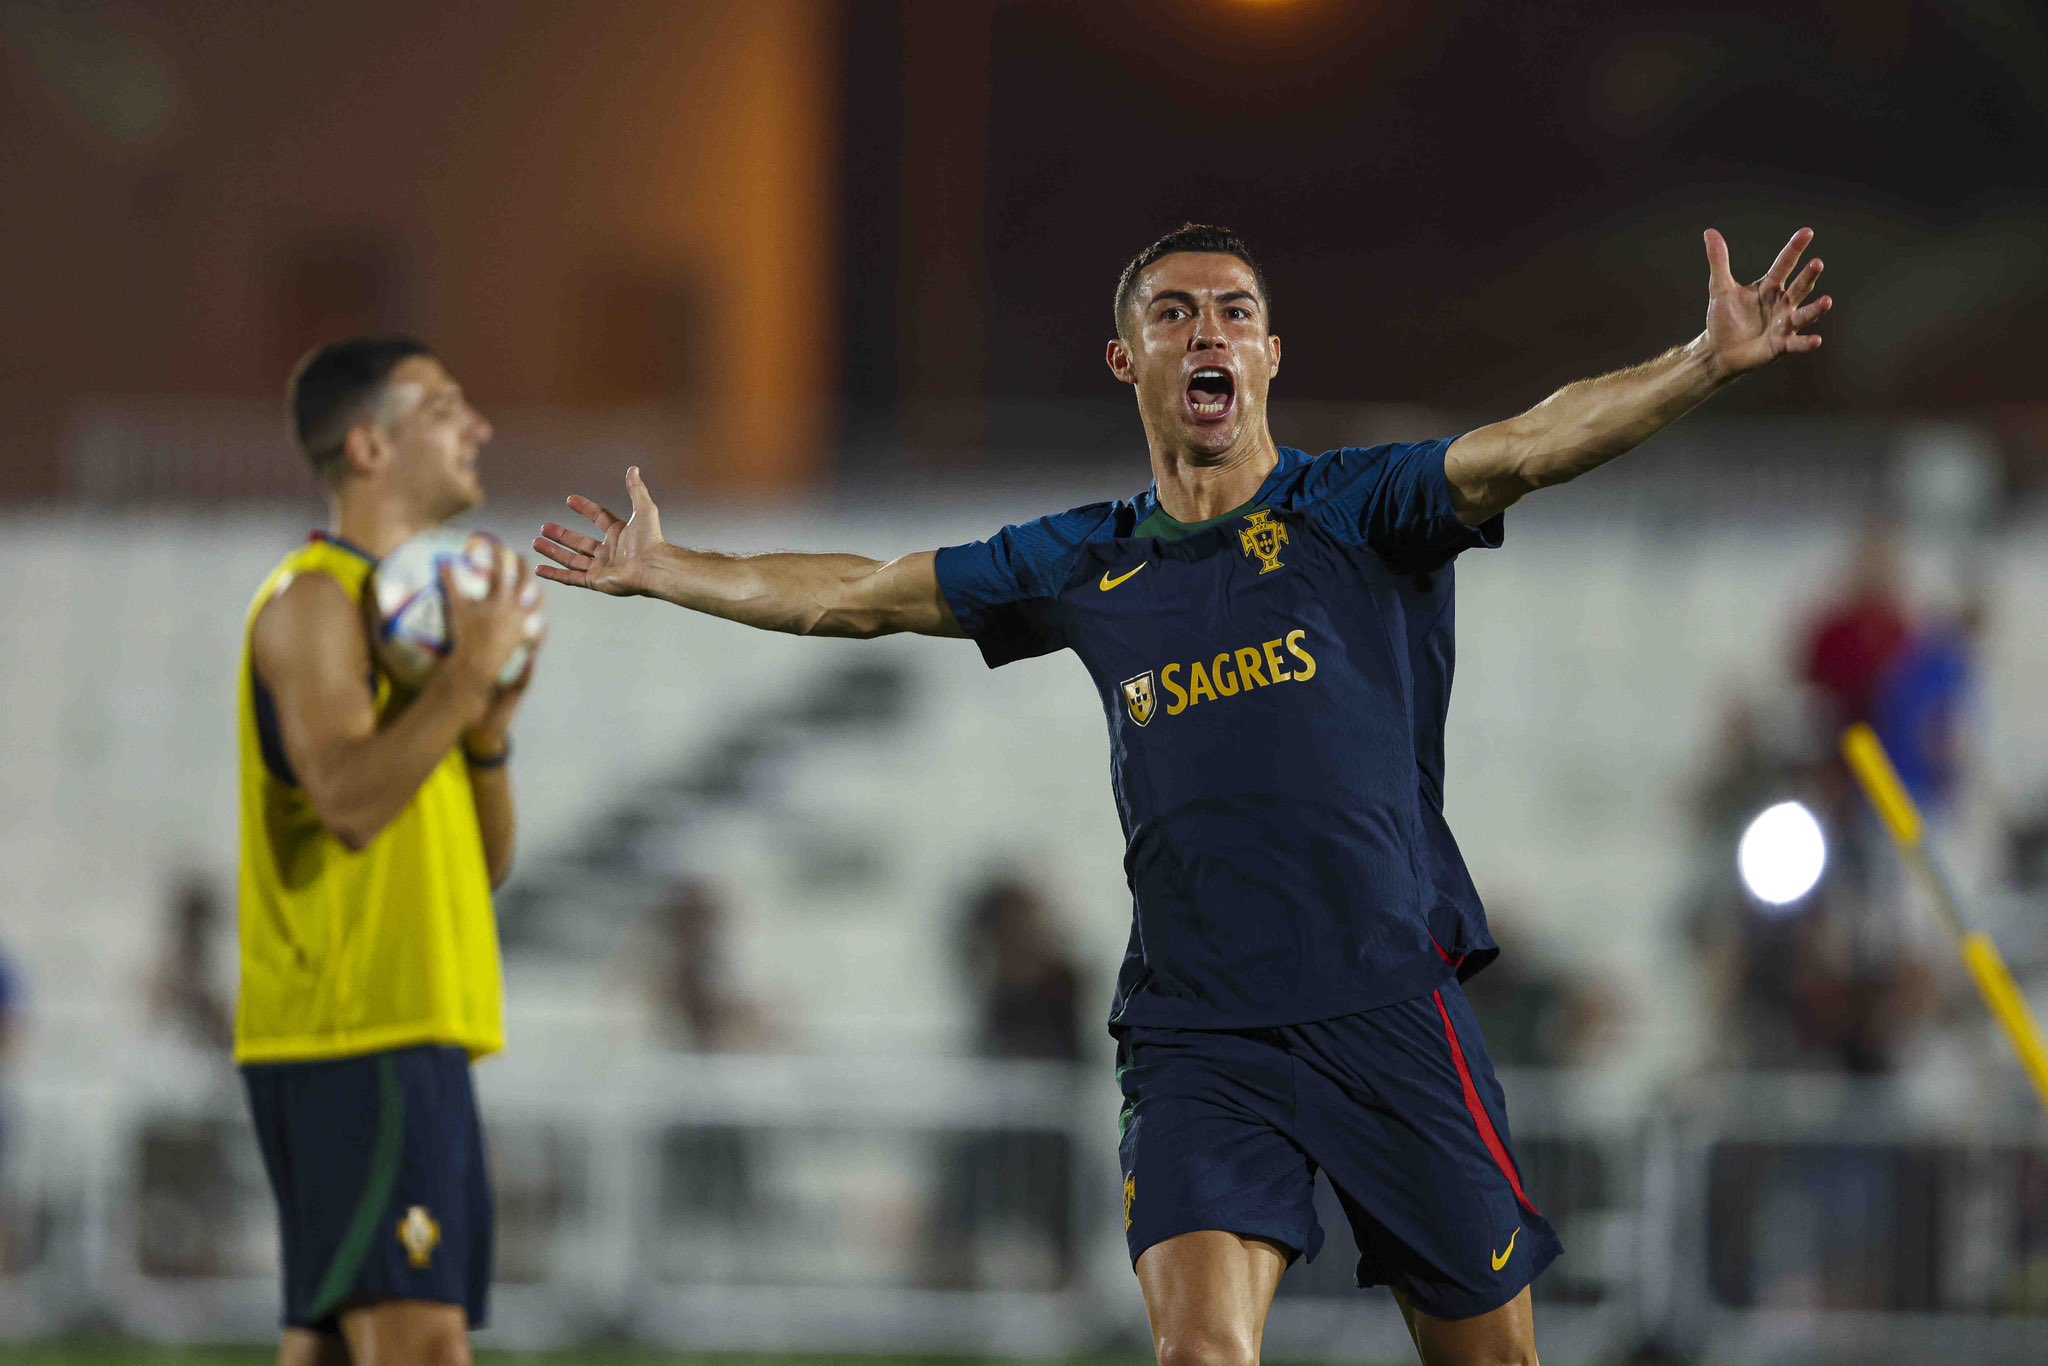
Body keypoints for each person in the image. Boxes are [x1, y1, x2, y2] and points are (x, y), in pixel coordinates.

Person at [535, 222, 1831, 1364]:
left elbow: (1530, 445)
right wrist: (674, 568)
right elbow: (860, 592)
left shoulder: (1357, 506)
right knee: (1201, 1350)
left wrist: (1700, 363)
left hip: (1386, 998)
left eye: (1235, 313)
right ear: (1128, 361)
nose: (1208, 331)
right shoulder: (1086, 558)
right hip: (1199, 1027)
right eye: (1174, 313)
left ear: (1269, 355)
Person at [237, 337, 542, 1366]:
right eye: (445, 407)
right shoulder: (316, 601)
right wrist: (460, 689)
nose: (479, 426)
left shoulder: (415, 631)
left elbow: (484, 866)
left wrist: (487, 732)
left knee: (337, 1350)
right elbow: (348, 803)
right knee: (423, 1347)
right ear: (367, 445)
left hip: (407, 1028)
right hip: (357, 1029)